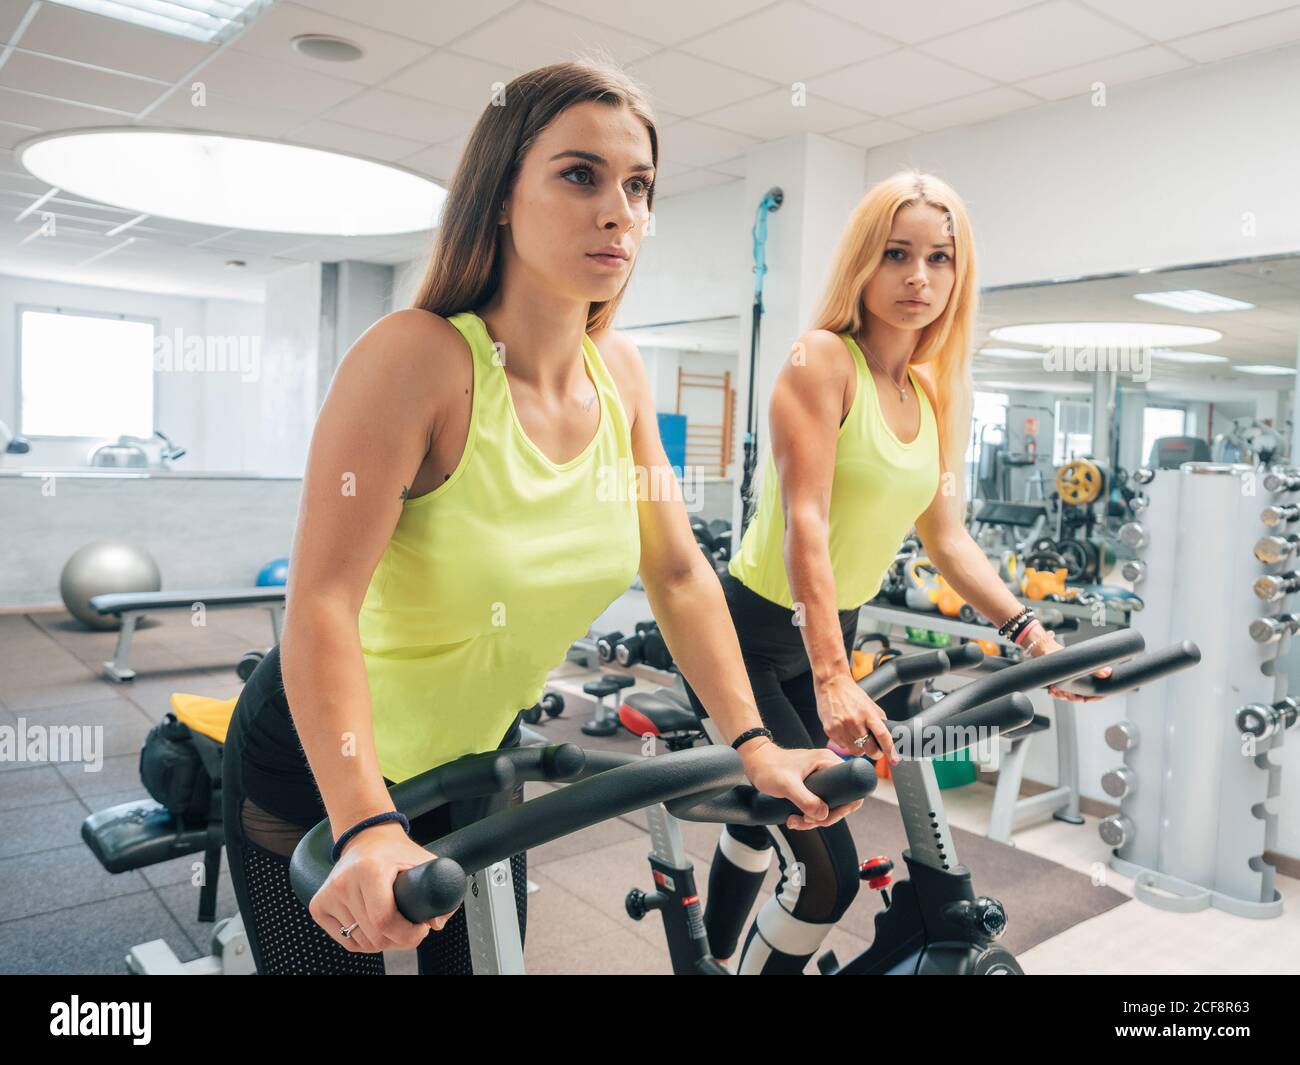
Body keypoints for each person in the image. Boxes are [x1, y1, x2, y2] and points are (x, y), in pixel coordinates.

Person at [221, 58, 858, 975]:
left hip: (480, 761)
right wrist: (364, 822)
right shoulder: (419, 360)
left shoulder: (623, 376)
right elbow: (321, 599)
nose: (619, 210)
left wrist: (755, 745)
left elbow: (677, 572)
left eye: (638, 185)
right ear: (501, 197)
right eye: (579, 174)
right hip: (320, 771)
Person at [683, 170, 1112, 974]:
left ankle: (707, 958)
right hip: (750, 630)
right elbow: (804, 521)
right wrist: (832, 674)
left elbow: (948, 539)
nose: (920, 277)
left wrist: (1031, 632)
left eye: (940, 258)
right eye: (897, 254)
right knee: (827, 869)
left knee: (761, 820)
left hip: (831, 626)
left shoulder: (932, 389)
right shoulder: (822, 360)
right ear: (862, 264)